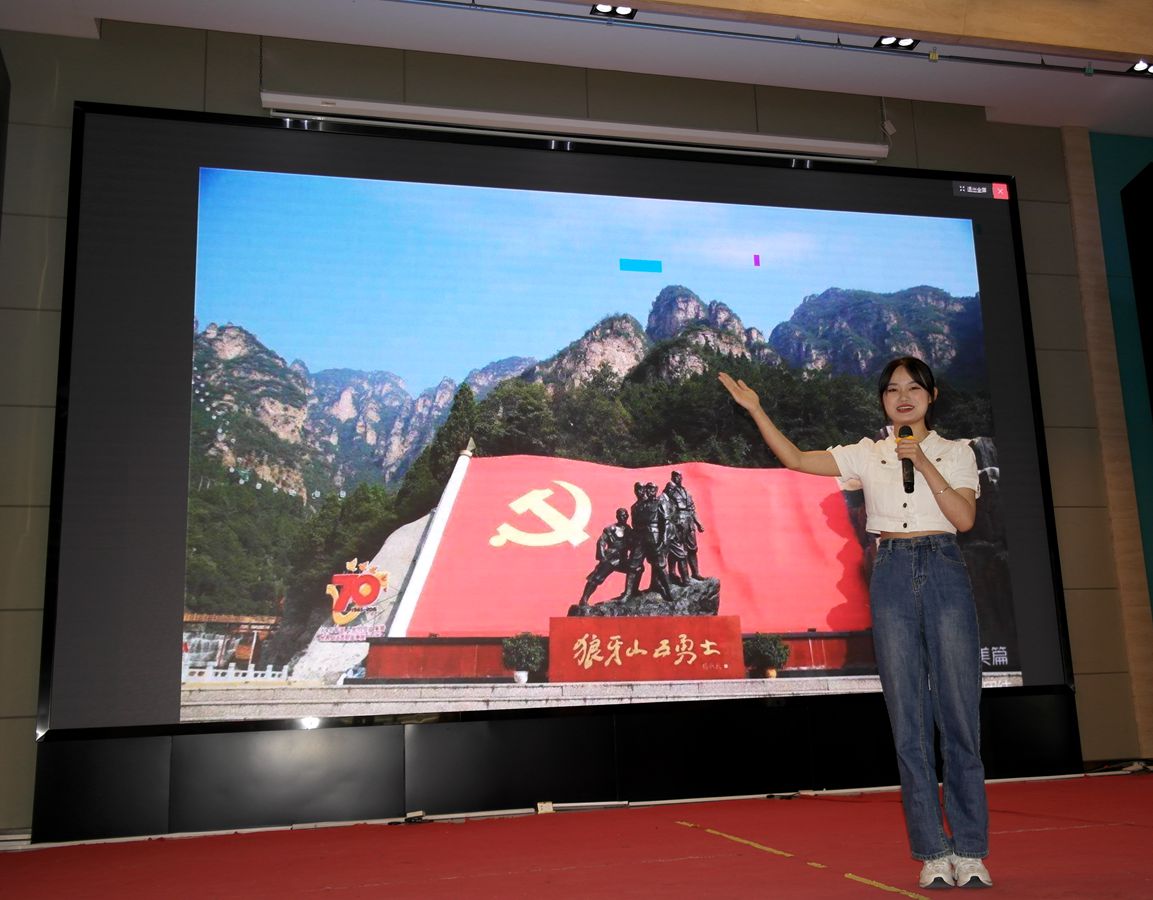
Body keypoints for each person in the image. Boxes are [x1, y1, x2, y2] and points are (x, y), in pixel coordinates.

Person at [718, 357, 993, 891]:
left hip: (944, 568)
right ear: (883, 400)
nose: (903, 397)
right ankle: (933, 853)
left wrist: (922, 461)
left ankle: (970, 850)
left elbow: (963, 519)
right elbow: (797, 458)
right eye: (892, 390)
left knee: (960, 717)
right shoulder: (867, 453)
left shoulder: (957, 452)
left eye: (913, 388)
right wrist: (756, 411)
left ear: (931, 396)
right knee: (908, 722)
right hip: (890, 572)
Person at [578, 508, 634, 607]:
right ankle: (584, 598)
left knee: (635, 569)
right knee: (596, 578)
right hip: (610, 559)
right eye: (622, 515)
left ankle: (629, 592)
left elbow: (631, 543)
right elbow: (601, 542)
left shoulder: (628, 530)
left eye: (626, 515)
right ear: (617, 516)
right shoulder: (610, 529)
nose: (624, 517)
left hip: (622, 559)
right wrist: (602, 556)